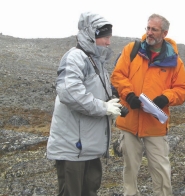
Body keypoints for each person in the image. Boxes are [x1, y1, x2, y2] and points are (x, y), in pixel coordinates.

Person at [111, 14, 185, 196]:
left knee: (161, 170)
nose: (149, 33)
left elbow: (182, 89)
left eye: (154, 29)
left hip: (155, 124)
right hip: (130, 121)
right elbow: (118, 75)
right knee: (129, 168)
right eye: (148, 28)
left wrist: (166, 98)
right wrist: (129, 94)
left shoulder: (174, 61)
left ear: (164, 33)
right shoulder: (132, 50)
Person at [46, 12, 122, 196]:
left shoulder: (97, 62)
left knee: (90, 190)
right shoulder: (75, 57)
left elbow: (93, 95)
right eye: (105, 37)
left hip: (89, 147)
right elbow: (69, 93)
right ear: (91, 34)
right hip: (73, 147)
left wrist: (109, 105)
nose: (108, 42)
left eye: (109, 37)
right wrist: (104, 108)